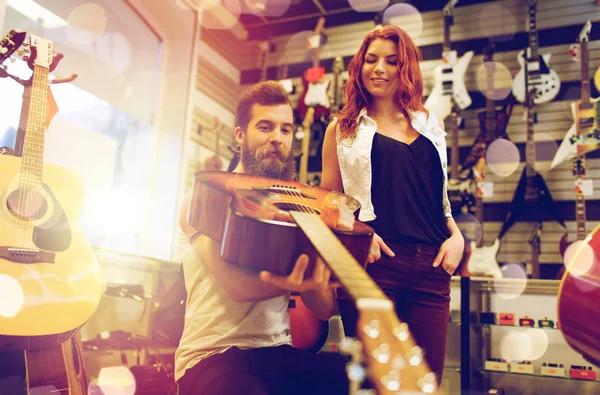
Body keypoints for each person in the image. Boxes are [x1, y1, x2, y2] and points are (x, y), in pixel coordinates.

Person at [175, 81, 349, 395]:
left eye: (285, 130)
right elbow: (237, 287)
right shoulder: (203, 198)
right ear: (240, 135)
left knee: (353, 379)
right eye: (265, 127)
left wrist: (318, 281)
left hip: (278, 351)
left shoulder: (297, 207)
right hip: (213, 357)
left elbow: (322, 310)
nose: (276, 139)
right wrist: (292, 282)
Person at [321, 25, 465, 384]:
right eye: (371, 60)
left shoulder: (430, 123)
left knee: (424, 382)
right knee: (374, 381)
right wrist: (357, 231)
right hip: (375, 267)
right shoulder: (341, 129)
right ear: (359, 66)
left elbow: (438, 195)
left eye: (391, 61)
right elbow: (328, 201)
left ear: (407, 69)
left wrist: (457, 236)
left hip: (433, 268)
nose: (379, 69)